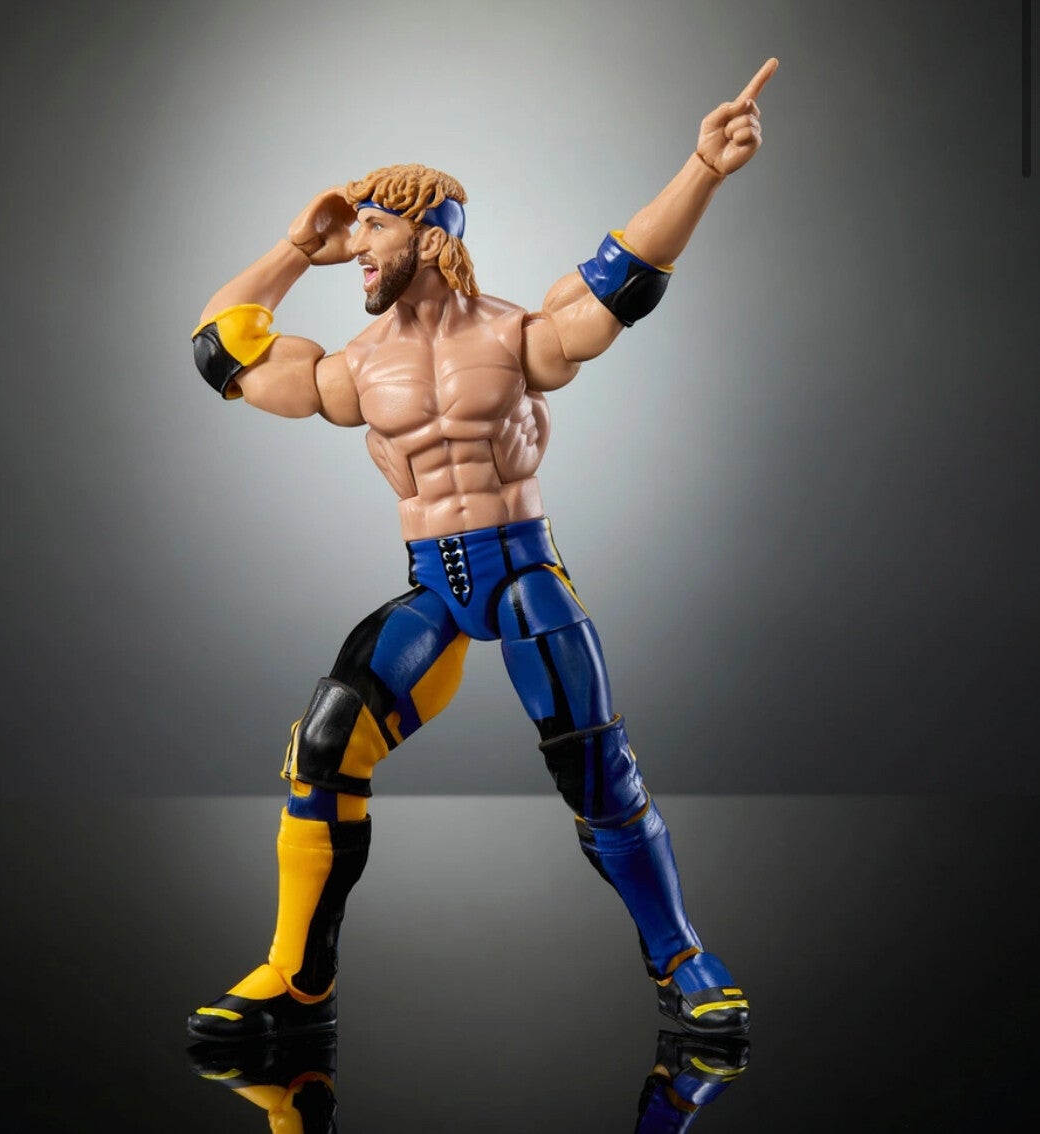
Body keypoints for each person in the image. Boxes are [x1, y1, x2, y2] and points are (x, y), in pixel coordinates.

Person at [186, 58, 778, 1044]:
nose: (355, 245)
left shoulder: (514, 335)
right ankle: (297, 980)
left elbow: (624, 282)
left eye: (372, 226)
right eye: (353, 229)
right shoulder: (354, 368)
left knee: (597, 769)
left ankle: (681, 958)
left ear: (430, 235)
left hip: (522, 575)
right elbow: (223, 350)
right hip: (435, 587)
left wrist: (703, 169)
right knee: (325, 744)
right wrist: (296, 248)